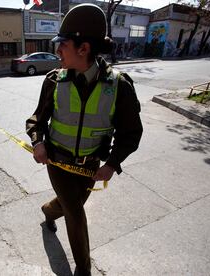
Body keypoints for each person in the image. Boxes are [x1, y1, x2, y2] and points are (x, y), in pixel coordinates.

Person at [25, 4, 142, 276]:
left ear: (83, 48)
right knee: (76, 213)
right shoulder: (54, 80)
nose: (57, 52)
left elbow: (131, 133)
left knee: (67, 206)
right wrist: (38, 141)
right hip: (58, 162)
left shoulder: (119, 86)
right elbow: (37, 120)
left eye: (62, 45)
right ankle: (84, 270)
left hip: (90, 166)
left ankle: (47, 210)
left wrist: (112, 164)